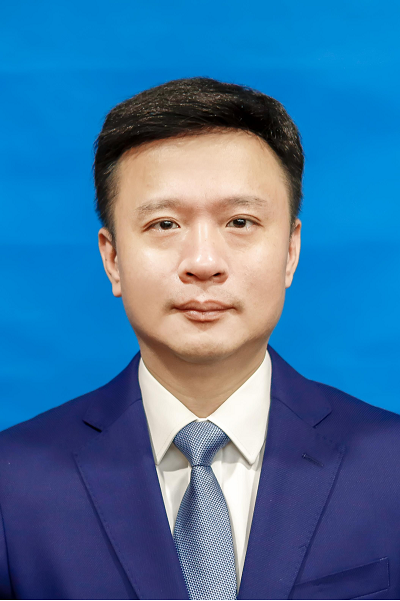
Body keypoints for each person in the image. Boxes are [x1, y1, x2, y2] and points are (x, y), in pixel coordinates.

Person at [0, 77, 399, 601]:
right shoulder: (14, 481)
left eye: (240, 221)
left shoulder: (389, 465)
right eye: (165, 225)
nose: (204, 263)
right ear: (112, 258)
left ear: (290, 251)